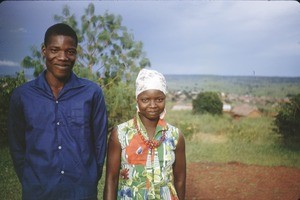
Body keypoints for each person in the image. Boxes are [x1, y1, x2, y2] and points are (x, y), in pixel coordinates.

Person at [8, 23, 108, 200]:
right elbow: (17, 146)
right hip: (38, 192)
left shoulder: (92, 93)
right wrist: (30, 180)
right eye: (55, 50)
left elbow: (99, 143)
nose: (63, 57)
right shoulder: (22, 96)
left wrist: (90, 178)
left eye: (70, 51)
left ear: (76, 54)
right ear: (44, 51)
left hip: (81, 192)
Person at [104, 68, 186, 199]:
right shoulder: (120, 134)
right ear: (137, 99)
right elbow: (111, 179)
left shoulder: (175, 136)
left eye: (159, 99)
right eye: (145, 100)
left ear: (165, 99)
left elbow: (180, 181)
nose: (152, 105)